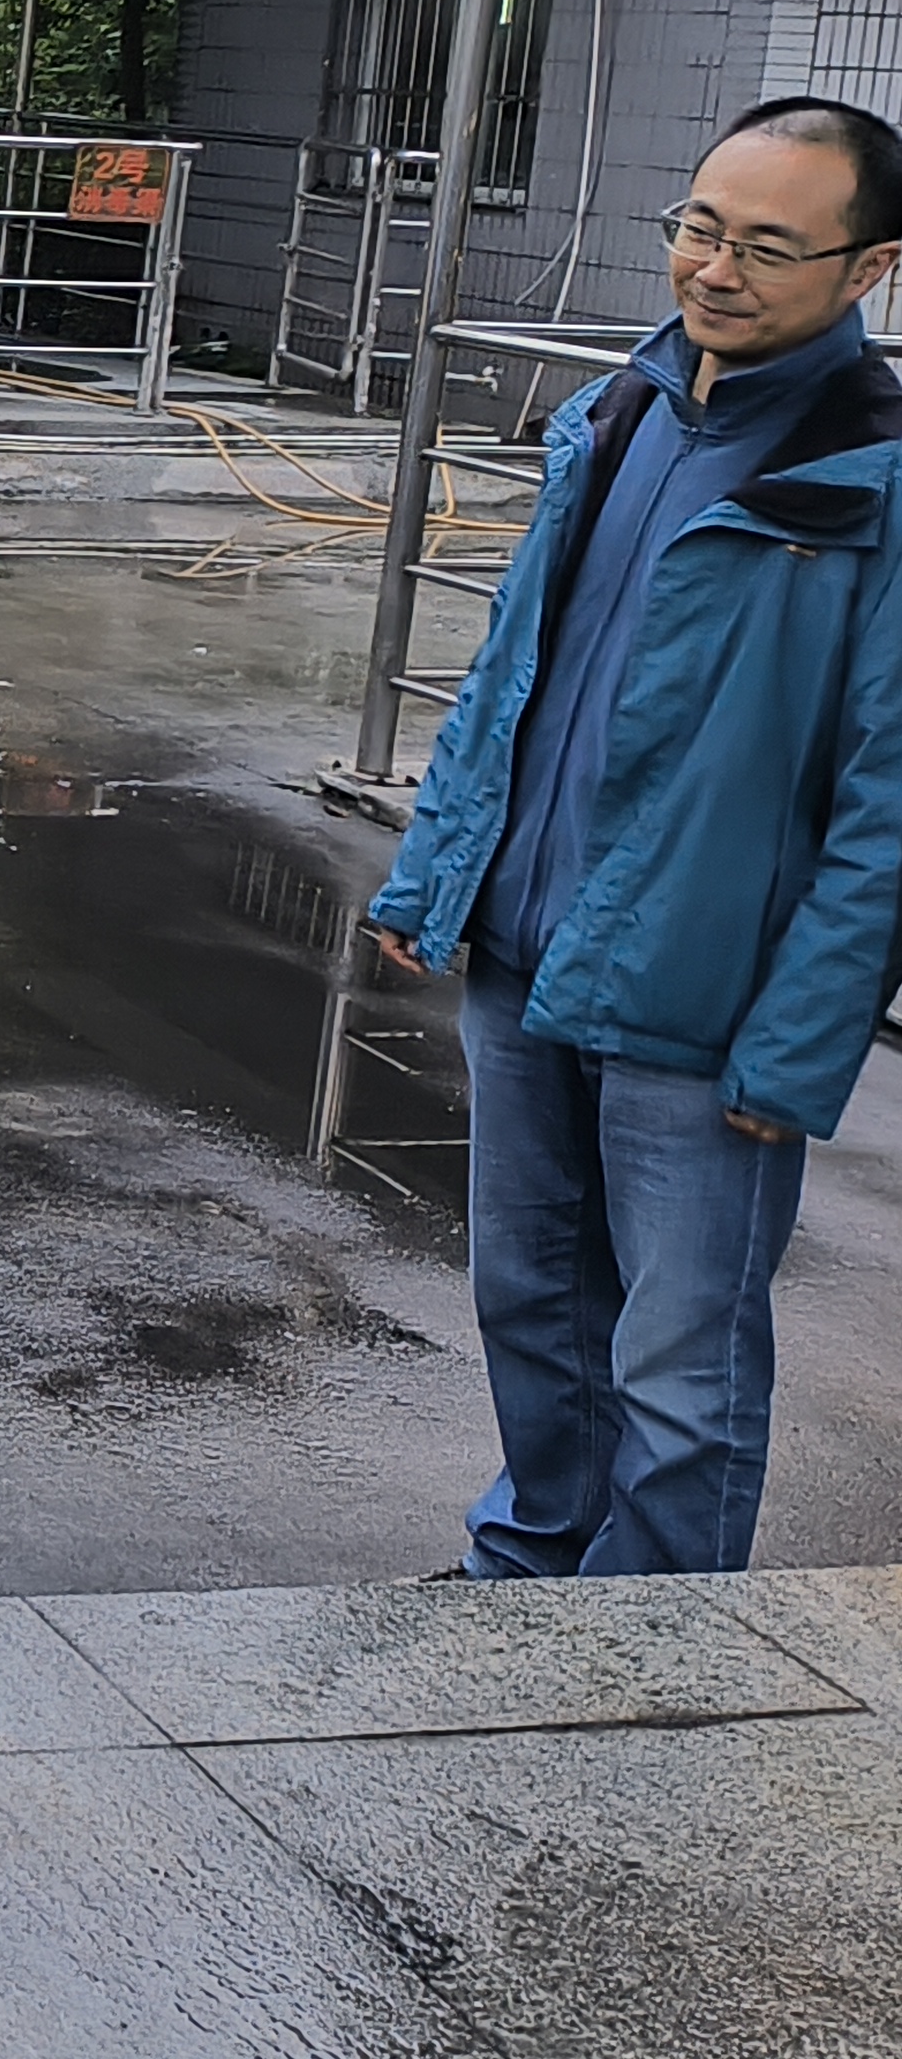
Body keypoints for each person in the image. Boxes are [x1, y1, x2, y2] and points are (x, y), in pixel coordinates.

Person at [369, 98, 902, 1580]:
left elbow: (889, 808)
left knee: (680, 1361)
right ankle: (534, 1564)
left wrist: (798, 1046)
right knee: (531, 1300)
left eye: (769, 248)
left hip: (704, 1001)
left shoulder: (872, 479)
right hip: (525, 952)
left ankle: (656, 1649)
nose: (716, 271)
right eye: (699, 228)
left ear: (870, 269)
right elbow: (514, 669)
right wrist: (435, 871)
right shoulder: (622, 413)